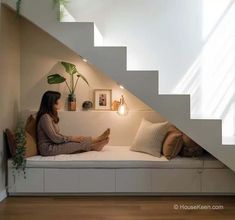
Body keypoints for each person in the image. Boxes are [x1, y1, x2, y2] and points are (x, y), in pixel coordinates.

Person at [36, 91, 110, 156]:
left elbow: (57, 136)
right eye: (58, 100)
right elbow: (55, 137)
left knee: (79, 139)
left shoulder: (50, 116)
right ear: (52, 102)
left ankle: (96, 141)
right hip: (48, 149)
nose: (60, 101)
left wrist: (72, 138)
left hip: (54, 144)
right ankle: (95, 144)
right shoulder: (45, 117)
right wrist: (71, 138)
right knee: (77, 143)